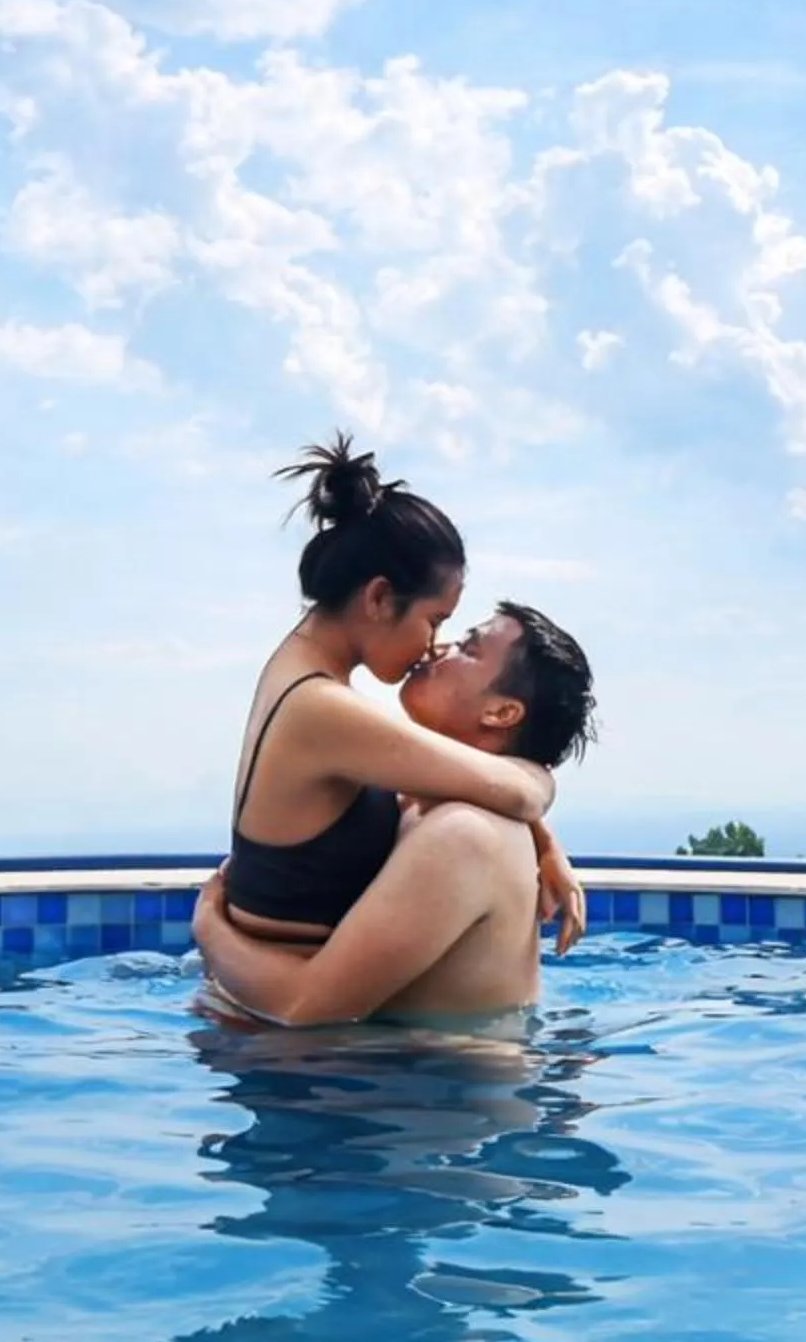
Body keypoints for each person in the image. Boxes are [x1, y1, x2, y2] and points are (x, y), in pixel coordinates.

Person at [227, 436, 587, 949]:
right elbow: (518, 791)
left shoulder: (303, 679)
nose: (434, 644)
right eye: (434, 620)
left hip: (276, 993)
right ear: (378, 598)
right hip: (277, 1000)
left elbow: (437, 777)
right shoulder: (321, 709)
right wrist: (541, 782)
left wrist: (544, 843)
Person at [198, 596, 599, 1025]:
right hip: (400, 1062)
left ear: (500, 712)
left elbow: (301, 1007)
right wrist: (544, 837)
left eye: (468, 648)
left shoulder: (464, 837)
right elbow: (497, 786)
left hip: (421, 1067)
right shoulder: (439, 806)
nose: (438, 647)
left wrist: (209, 927)